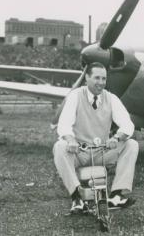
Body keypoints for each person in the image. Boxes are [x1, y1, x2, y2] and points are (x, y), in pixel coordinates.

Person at [52, 62, 139, 212]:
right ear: (87, 78)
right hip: (79, 151)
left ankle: (117, 195)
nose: (101, 83)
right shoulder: (75, 96)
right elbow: (64, 125)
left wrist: (116, 138)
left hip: (101, 151)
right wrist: (71, 141)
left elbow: (128, 125)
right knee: (59, 147)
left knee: (131, 144)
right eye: (97, 78)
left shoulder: (111, 98)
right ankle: (76, 198)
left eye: (104, 79)